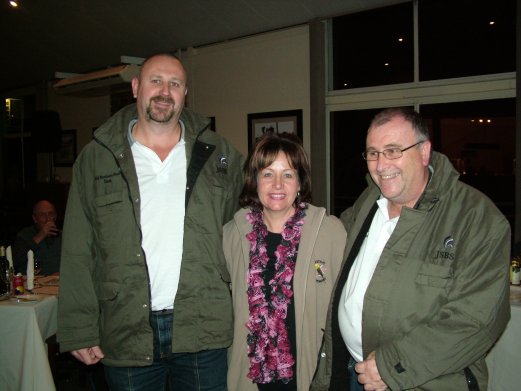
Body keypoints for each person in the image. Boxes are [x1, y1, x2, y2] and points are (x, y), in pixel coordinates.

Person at [57, 53, 244, 391]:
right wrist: (78, 328)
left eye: (175, 84)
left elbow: (244, 227)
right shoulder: (96, 158)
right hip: (126, 329)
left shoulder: (219, 153)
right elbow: (77, 249)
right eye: (155, 80)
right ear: (135, 87)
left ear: (185, 93)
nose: (164, 91)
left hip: (202, 325)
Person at [310, 107, 511, 391]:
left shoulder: (476, 218)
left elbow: (475, 322)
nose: (381, 165)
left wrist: (391, 366)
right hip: (353, 373)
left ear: (424, 151)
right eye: (373, 153)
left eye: (393, 151)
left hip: (421, 381)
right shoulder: (368, 203)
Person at [224, 133, 347, 391]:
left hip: (309, 377)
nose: (277, 184)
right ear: (254, 180)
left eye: (288, 174)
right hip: (249, 380)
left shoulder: (331, 233)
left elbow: (345, 309)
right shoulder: (233, 235)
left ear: (300, 182)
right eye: (268, 174)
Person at [12, 199, 61, 275]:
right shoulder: (24, 235)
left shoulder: (62, 236)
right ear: (35, 218)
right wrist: (41, 235)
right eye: (42, 215)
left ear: (55, 216)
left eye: (50, 214)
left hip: (58, 282)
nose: (48, 218)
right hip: (34, 282)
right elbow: (16, 262)